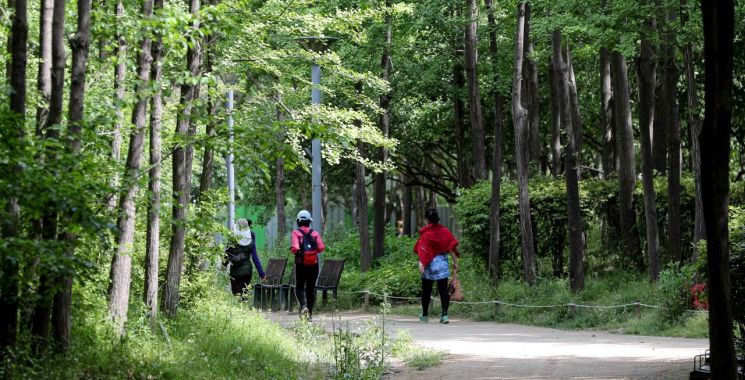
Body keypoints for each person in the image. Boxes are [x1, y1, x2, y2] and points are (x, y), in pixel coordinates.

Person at [414, 208, 460, 324]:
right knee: (443, 290)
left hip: (428, 265)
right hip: (442, 264)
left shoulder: (425, 234)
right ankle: (444, 315)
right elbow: (451, 249)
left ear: (426, 220)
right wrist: (455, 263)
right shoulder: (444, 231)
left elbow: (422, 250)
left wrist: (421, 263)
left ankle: (425, 316)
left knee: (426, 291)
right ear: (437, 219)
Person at [290, 210, 325, 320]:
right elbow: (321, 247)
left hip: (301, 264)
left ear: (298, 221)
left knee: (299, 287)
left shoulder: (296, 233)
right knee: (311, 289)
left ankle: (303, 306)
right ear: (309, 221)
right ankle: (309, 315)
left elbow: (295, 247)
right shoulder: (315, 233)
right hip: (313, 265)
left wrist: (293, 250)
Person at [225, 218, 266, 298]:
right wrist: (262, 274)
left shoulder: (232, 238)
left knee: (236, 294)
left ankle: (238, 309)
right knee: (244, 294)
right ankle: (244, 307)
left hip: (235, 271)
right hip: (247, 271)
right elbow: (255, 257)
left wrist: (223, 266)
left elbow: (227, 254)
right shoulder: (251, 237)